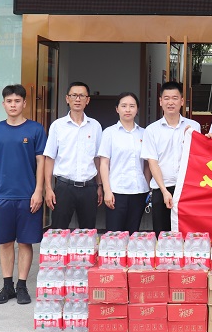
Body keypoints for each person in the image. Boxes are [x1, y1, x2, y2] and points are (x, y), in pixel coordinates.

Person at [0, 84, 47, 305]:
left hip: (28, 196)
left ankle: (22, 286)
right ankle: (7, 286)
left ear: (24, 103)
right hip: (2, 196)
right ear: (3, 104)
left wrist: (38, 191)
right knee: (6, 242)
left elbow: (41, 162)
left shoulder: (36, 129)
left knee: (26, 243)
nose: (13, 105)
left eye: (17, 101)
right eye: (9, 101)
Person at [140, 81, 202, 234]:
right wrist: (164, 191)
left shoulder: (193, 127)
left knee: (187, 234)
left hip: (187, 189)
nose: (170, 102)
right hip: (161, 188)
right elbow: (152, 162)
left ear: (182, 101)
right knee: (162, 235)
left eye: (175, 98)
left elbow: (198, 158)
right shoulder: (151, 130)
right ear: (160, 101)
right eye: (166, 98)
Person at [43, 81, 103, 229]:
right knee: (58, 231)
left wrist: (100, 186)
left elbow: (98, 159)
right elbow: (49, 158)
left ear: (87, 100)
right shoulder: (57, 126)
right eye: (74, 95)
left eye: (82, 96)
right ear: (67, 98)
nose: (77, 99)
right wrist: (48, 188)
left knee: (88, 233)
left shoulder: (95, 126)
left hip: (89, 187)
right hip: (64, 187)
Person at [98, 92, 152, 233]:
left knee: (133, 233)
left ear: (137, 109)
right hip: (116, 191)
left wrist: (148, 187)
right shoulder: (109, 133)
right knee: (114, 234)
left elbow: (147, 165)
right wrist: (107, 190)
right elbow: (104, 163)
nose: (128, 109)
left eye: (132, 106)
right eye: (124, 106)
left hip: (139, 191)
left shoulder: (144, 133)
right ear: (117, 109)